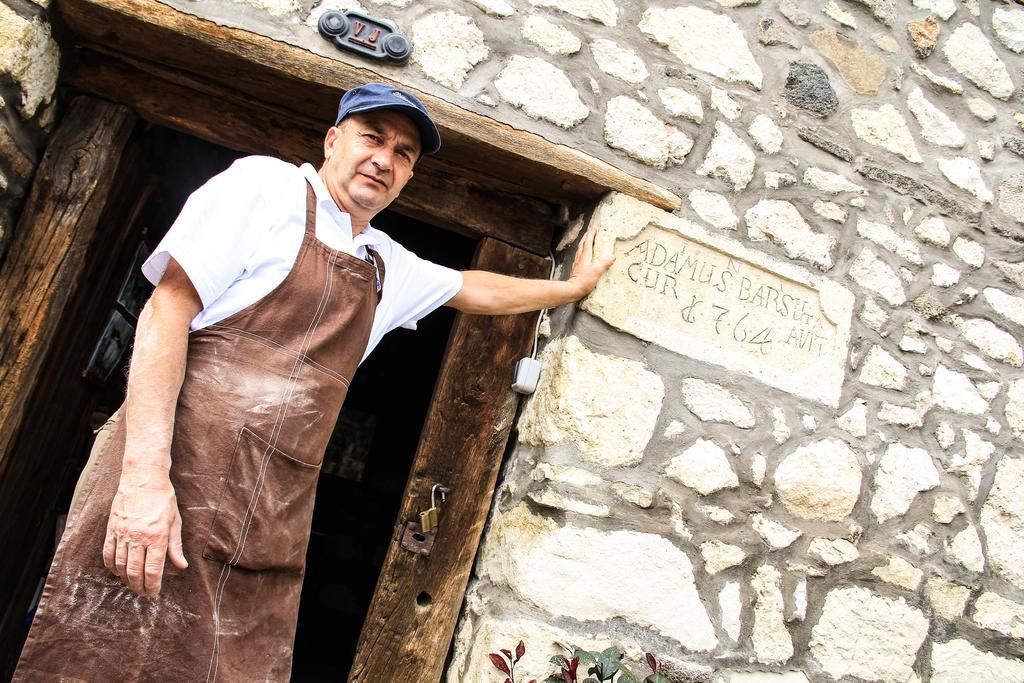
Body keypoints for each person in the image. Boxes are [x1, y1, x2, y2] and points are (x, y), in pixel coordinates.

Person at [13, 83, 613, 681]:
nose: (385, 158)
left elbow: (476, 287)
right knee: (106, 659)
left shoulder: (385, 263)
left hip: (269, 518)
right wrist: (143, 482)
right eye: (372, 137)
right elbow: (165, 312)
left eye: (404, 154)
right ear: (333, 140)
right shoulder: (264, 189)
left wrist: (567, 289)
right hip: (172, 489)